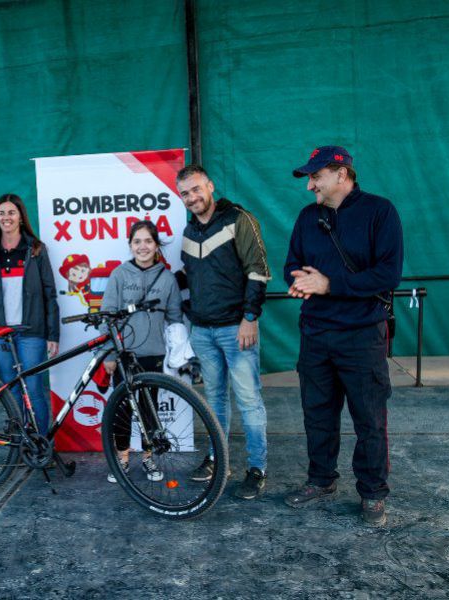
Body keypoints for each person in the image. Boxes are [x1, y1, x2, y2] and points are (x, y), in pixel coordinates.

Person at [283, 146, 403, 527]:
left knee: (369, 418)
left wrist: (329, 283)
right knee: (317, 415)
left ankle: (372, 493)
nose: (310, 187)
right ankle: (321, 481)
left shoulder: (380, 212)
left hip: (362, 335)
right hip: (315, 334)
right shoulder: (307, 217)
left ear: (340, 174)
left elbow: (388, 275)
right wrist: (300, 281)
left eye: (315, 178)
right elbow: (290, 264)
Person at [175, 165, 271, 500]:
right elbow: (190, 279)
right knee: (215, 400)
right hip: (203, 331)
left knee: (248, 400)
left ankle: (257, 469)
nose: (192, 197)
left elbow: (258, 271)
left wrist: (250, 317)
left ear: (210, 186)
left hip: (236, 327)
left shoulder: (238, 219)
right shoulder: (188, 231)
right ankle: (218, 459)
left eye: (196, 189)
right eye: (185, 193)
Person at [99, 220, 184, 484]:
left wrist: (177, 354)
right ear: (130, 245)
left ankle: (148, 457)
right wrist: (110, 354)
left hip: (153, 355)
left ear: (156, 245)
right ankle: (122, 458)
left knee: (149, 410)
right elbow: (107, 317)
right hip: (124, 354)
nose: (143, 246)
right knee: (123, 409)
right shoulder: (119, 274)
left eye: (148, 241)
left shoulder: (167, 278)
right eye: (137, 241)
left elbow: (175, 318)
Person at [0, 194, 60, 435]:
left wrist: (53, 334)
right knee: (11, 390)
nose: (6, 217)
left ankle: (41, 445)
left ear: (21, 216)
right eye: (1, 213)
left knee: (32, 388)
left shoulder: (36, 250)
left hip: (31, 332)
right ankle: (21, 443)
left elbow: (50, 294)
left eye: (11, 212)